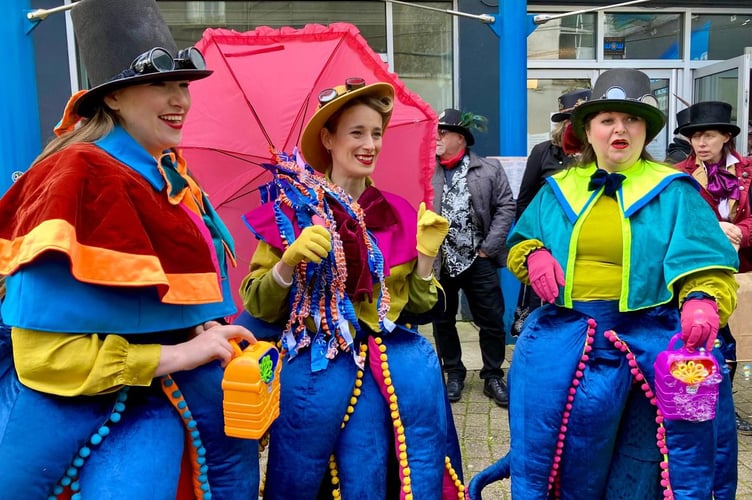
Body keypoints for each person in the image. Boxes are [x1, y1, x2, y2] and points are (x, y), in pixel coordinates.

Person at [0, 0, 259, 497]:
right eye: (160, 83)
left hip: (162, 407)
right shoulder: (79, 176)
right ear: (114, 98)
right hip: (75, 414)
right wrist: (185, 351)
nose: (179, 98)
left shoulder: (163, 171)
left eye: (183, 84)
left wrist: (201, 324)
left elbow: (152, 297)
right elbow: (46, 357)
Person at [469, 68, 739, 499]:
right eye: (607, 120)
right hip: (571, 339)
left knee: (649, 459)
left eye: (631, 120)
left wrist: (703, 300)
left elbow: (708, 263)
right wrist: (533, 255)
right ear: (588, 131)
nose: (620, 129)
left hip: (652, 341)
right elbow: (523, 240)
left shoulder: (674, 191)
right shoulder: (559, 188)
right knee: (568, 455)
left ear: (645, 131)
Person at [240, 78, 465, 498]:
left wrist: (427, 260)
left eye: (376, 133)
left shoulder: (400, 212)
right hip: (316, 375)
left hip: (392, 374)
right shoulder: (290, 213)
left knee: (397, 472)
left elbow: (416, 307)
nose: (369, 144)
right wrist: (287, 264)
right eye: (356, 132)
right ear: (328, 138)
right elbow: (257, 302)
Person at [673, 100, 752, 435]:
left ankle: (723, 405)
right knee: (706, 336)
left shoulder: (748, 172)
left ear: (725, 136)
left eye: (707, 135)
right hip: (699, 269)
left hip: (743, 269)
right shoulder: (680, 176)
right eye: (694, 137)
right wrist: (713, 229)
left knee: (737, 341)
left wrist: (742, 232)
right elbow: (677, 222)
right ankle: (697, 405)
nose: (700, 143)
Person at [430, 109, 516, 406]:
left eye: (442, 132)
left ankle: (493, 375)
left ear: (461, 138)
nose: (436, 138)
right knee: (442, 320)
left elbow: (506, 207)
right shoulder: (427, 169)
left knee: (491, 319)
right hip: (440, 261)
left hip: (478, 258)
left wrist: (488, 248)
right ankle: (453, 372)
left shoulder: (488, 169)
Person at [513, 89, 590, 336]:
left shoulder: (600, 156)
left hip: (585, 248)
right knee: (542, 316)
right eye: (572, 119)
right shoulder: (543, 152)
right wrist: (534, 244)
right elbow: (524, 201)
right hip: (546, 247)